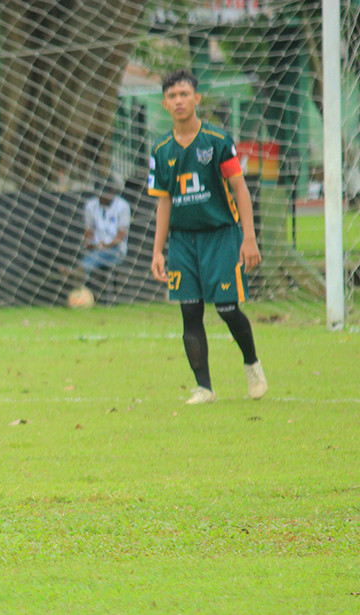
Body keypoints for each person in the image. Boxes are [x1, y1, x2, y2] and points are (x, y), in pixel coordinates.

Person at [148, 69, 267, 405]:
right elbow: (164, 201)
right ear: (164, 104)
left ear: (197, 99)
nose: (179, 101)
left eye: (184, 94)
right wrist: (159, 251)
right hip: (183, 242)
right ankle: (204, 388)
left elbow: (240, 189)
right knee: (190, 311)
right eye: (172, 96)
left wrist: (249, 238)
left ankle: (252, 364)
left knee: (228, 308)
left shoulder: (217, 141)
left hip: (221, 236)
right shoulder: (160, 149)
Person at [79, 178, 130, 283]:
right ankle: (80, 276)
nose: (101, 198)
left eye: (104, 194)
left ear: (112, 192)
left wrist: (106, 245)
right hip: (95, 247)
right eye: (99, 195)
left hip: (115, 249)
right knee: (90, 254)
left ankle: (81, 270)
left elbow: (121, 235)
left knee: (99, 255)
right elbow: (89, 231)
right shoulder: (90, 205)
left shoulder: (123, 206)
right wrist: (89, 242)